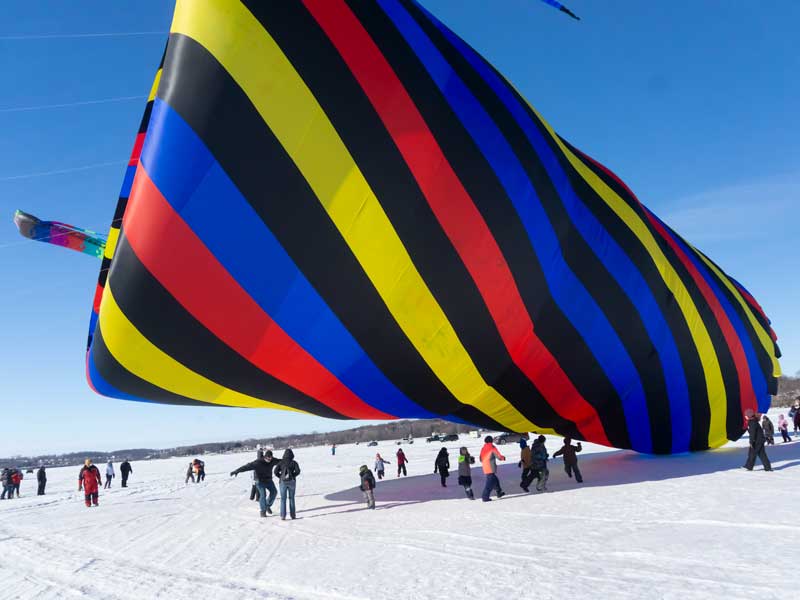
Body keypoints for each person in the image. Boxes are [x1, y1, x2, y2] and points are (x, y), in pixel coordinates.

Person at [231, 450, 279, 518]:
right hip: (259, 481)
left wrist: (289, 460)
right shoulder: (258, 463)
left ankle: (267, 506)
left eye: (270, 458)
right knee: (263, 494)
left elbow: (281, 461)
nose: (269, 459)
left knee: (274, 492)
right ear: (265, 457)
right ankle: (263, 511)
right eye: (268, 458)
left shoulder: (272, 460)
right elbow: (246, 467)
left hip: (268, 480)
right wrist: (237, 471)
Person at [273, 449, 301, 520]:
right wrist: (293, 475)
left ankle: (283, 515)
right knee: (292, 499)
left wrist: (281, 477)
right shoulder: (294, 462)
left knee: (283, 499)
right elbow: (298, 471)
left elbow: (275, 471)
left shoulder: (281, 462)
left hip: (283, 482)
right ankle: (293, 515)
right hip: (292, 482)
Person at [480, 435, 506, 502]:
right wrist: (503, 458)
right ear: (491, 440)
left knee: (495, 480)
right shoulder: (492, 447)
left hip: (485, 467)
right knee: (489, 484)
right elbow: (498, 456)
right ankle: (485, 497)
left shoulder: (483, 448)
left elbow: (480, 458)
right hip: (490, 467)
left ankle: (499, 492)